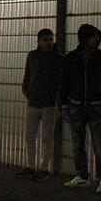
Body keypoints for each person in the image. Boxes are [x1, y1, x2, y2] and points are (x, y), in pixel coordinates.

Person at [58, 23, 101, 193]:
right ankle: (83, 175)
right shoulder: (71, 59)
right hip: (77, 106)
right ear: (85, 38)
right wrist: (63, 106)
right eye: (93, 36)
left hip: (94, 106)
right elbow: (64, 84)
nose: (97, 40)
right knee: (79, 143)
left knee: (98, 144)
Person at [16, 28, 62, 181]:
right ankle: (31, 166)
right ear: (39, 42)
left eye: (50, 40)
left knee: (46, 137)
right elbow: (27, 75)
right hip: (35, 101)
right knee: (30, 136)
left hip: (47, 103)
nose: (48, 42)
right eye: (45, 40)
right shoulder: (33, 56)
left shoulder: (57, 58)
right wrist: (26, 90)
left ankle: (42, 168)